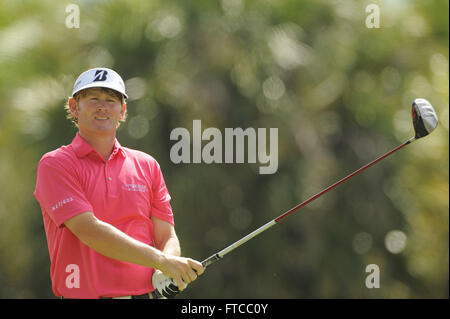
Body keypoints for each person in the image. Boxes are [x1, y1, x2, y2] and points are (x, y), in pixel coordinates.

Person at [34, 67, 204, 299]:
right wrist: (163, 261)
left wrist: (167, 266)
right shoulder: (56, 164)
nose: (102, 106)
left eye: (111, 100)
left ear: (122, 110)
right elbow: (89, 230)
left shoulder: (147, 164)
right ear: (74, 106)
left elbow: (166, 235)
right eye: (93, 98)